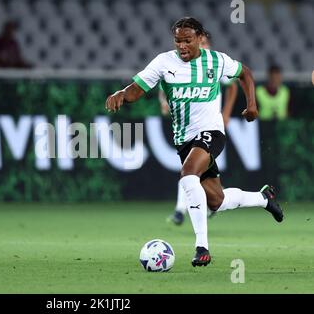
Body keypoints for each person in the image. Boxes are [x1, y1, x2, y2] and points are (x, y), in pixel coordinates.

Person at [105, 17, 284, 267]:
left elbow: (245, 73)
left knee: (188, 174)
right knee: (216, 201)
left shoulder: (216, 60)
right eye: (178, 41)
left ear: (200, 38)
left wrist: (251, 104)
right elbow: (137, 89)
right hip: (184, 140)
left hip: (212, 131)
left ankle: (202, 248)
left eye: (187, 40)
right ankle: (264, 198)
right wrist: (121, 94)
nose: (182, 46)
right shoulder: (163, 62)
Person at [165, 31, 238, 225]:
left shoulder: (214, 63)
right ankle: (196, 208)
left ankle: (183, 210)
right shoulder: (183, 65)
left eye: (205, 43)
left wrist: (227, 113)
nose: (202, 46)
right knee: (191, 171)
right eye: (201, 43)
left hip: (210, 125)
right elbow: (165, 82)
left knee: (191, 170)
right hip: (188, 127)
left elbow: (232, 86)